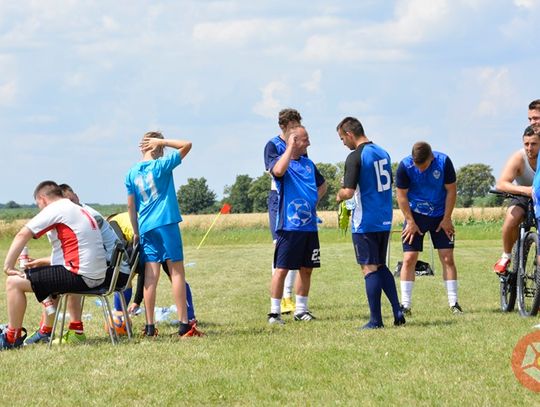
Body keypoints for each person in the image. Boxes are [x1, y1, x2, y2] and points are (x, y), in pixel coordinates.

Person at [1, 181, 107, 350]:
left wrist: (8, 266)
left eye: (38, 205)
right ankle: (45, 326)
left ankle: (11, 337)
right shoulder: (77, 208)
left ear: (42, 199)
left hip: (80, 275)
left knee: (13, 282)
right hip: (97, 275)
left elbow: (23, 234)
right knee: (41, 275)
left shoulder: (56, 208)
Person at [23, 183, 130, 345]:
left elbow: (83, 257)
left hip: (114, 274)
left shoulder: (83, 217)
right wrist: (40, 262)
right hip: (116, 270)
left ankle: (71, 330)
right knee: (63, 274)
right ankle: (48, 329)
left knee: (71, 274)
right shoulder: (85, 212)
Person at [126, 131, 200, 337]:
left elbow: (131, 206)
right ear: (158, 147)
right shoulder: (161, 165)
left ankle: (150, 326)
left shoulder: (131, 173)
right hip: (166, 223)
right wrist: (164, 141)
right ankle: (184, 324)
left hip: (146, 226)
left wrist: (135, 231)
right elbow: (187, 144)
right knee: (176, 272)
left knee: (150, 276)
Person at [335, 117, 405, 329]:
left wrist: (338, 196)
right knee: (380, 264)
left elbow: (348, 192)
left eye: (342, 138)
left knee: (368, 267)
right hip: (384, 218)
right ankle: (397, 309)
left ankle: (376, 320)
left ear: (349, 134)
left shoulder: (355, 156)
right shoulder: (383, 152)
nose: (343, 143)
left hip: (365, 220)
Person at [267, 125, 327, 324]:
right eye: (305, 139)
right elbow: (277, 170)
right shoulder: (282, 163)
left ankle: (301, 310)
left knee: (306, 268)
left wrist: (313, 202)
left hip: (309, 227)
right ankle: (274, 313)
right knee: (282, 269)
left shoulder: (309, 164)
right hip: (289, 228)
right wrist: (289, 149)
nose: (308, 143)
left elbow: (323, 184)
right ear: (293, 141)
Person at [396, 141, 463, 314]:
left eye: (424, 166)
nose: (420, 170)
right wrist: (410, 221)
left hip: (440, 215)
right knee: (409, 258)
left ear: (431, 158)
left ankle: (454, 303)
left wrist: (447, 218)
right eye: (417, 166)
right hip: (415, 216)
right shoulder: (404, 166)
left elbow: (451, 190)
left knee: (447, 258)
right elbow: (401, 195)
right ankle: (405, 305)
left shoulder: (444, 162)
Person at [107, 211, 197, 324]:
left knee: (125, 279)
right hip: (161, 231)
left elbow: (120, 244)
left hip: (146, 239)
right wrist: (137, 301)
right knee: (175, 277)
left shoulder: (110, 223)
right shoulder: (126, 216)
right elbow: (142, 273)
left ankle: (119, 316)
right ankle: (190, 317)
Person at [264, 108, 303, 314]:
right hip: (278, 200)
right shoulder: (272, 145)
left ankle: (289, 297)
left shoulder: (301, 144)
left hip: (297, 201)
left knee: (297, 249)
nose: (296, 129)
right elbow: (277, 170)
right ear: (283, 126)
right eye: (292, 126)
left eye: (298, 125)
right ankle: (279, 298)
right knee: (280, 249)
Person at [493, 123, 540, 274]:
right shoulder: (519, 158)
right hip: (522, 196)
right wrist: (526, 190)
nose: (529, 148)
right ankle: (506, 255)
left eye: (533, 144)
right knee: (512, 219)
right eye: (526, 144)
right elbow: (501, 183)